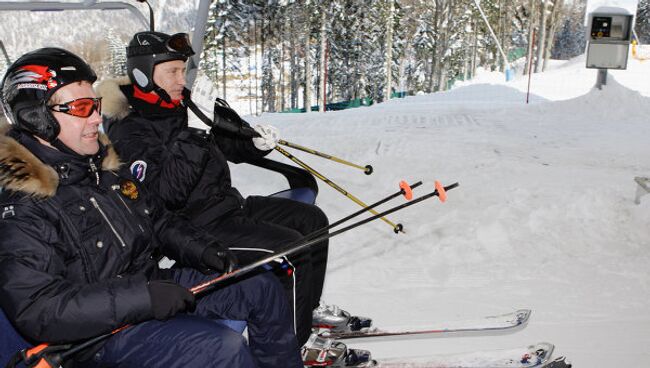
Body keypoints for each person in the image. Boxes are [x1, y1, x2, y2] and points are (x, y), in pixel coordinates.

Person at [0, 47, 303, 368]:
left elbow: (155, 218)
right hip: (96, 335)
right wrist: (144, 298)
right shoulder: (23, 202)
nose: (96, 118)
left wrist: (203, 250)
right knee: (220, 348)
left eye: (96, 105)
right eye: (82, 107)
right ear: (38, 118)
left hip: (143, 285)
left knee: (260, 287)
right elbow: (40, 309)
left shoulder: (99, 165)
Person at [98, 31, 365, 347]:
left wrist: (253, 142)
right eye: (172, 71)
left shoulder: (181, 102)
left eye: (183, 70)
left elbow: (229, 145)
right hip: (192, 226)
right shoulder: (130, 127)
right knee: (290, 248)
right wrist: (195, 133)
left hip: (227, 206)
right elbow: (166, 194)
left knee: (312, 221)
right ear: (143, 73)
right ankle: (289, 346)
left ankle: (302, 310)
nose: (181, 78)